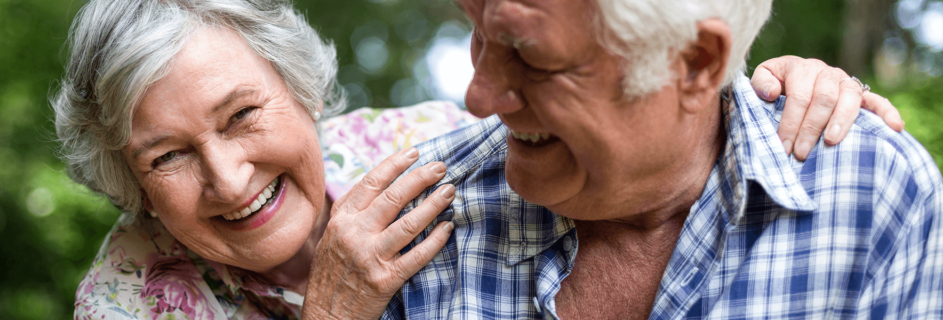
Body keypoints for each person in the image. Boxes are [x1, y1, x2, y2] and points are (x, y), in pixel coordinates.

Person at [55, 0, 906, 319]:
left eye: (243, 115)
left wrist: (761, 87)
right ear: (131, 184)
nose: (229, 177)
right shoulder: (128, 299)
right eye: (166, 156)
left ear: (301, 87)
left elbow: (634, 120)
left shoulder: (434, 152)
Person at [310, 0, 941, 319]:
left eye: (530, 55)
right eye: (478, 30)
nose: (478, 97)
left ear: (694, 64)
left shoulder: (871, 197)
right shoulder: (411, 227)